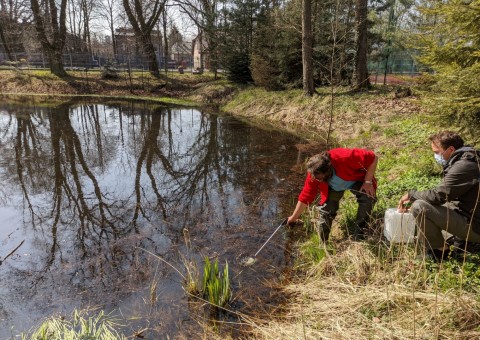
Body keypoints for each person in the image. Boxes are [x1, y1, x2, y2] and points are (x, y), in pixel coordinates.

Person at [398, 131, 480, 260]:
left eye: (437, 152)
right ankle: (457, 241)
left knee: (420, 207)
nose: (436, 156)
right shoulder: (469, 160)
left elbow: (439, 195)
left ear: (451, 149)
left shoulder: (465, 166)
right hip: (473, 216)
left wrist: (412, 194)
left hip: (476, 226)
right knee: (431, 205)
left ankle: (438, 251)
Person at [287, 148, 378, 241]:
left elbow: (373, 157)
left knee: (368, 199)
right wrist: (294, 217)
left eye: (320, 178)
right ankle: (323, 244)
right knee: (327, 211)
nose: (318, 180)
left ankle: (359, 234)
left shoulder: (345, 157)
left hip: (357, 180)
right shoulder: (314, 173)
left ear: (328, 170)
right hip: (335, 188)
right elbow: (306, 195)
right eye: (316, 178)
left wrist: (367, 182)